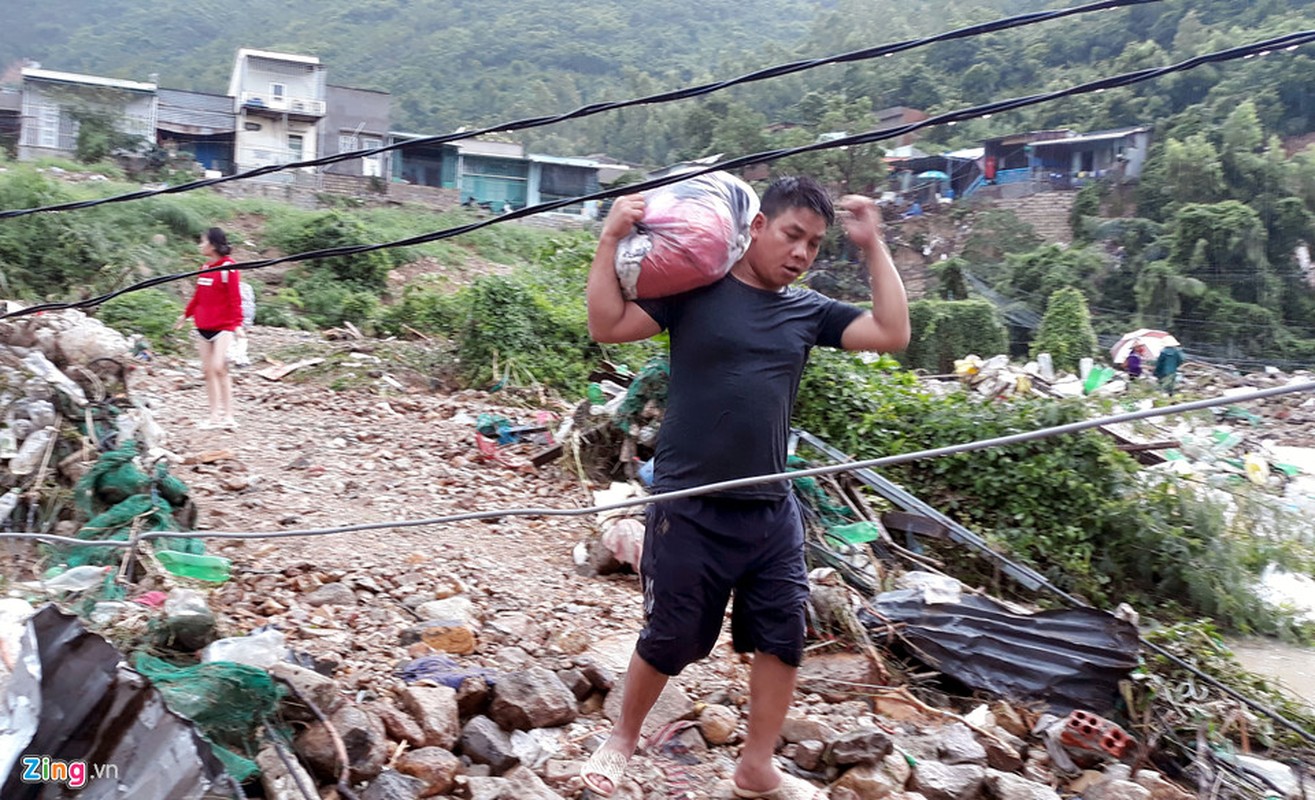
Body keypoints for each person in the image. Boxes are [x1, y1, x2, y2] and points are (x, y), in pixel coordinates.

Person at [582, 176, 910, 799]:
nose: (801, 254)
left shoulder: (807, 310)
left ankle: (755, 766)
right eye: (792, 236)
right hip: (689, 502)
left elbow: (891, 332)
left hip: (769, 505)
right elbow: (607, 323)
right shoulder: (694, 291)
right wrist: (610, 240)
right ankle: (621, 738)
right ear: (757, 227)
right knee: (672, 634)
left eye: (814, 245)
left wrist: (873, 247)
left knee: (783, 632)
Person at [176, 227, 243, 430]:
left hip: (223, 326)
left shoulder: (229, 268)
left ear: (213, 245)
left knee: (218, 367)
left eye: (203, 241)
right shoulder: (205, 267)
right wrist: (185, 315)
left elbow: (234, 298)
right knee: (207, 370)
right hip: (203, 325)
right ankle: (214, 415)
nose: (200, 245)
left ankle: (229, 416)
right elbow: (198, 296)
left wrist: (238, 324)